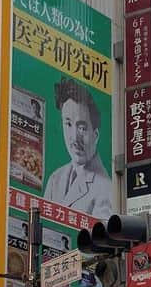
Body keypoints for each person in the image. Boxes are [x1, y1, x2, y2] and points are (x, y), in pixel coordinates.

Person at [42, 79, 113, 218]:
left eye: (82, 128)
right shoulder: (55, 179)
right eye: (68, 124)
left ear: (96, 135)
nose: (74, 138)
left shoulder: (105, 189)